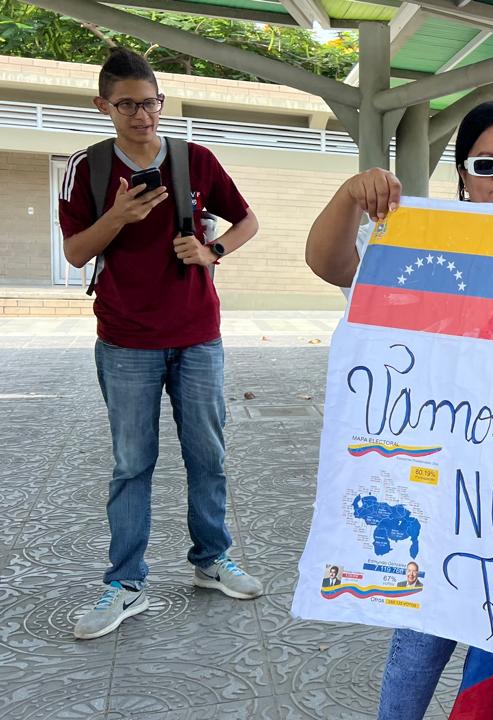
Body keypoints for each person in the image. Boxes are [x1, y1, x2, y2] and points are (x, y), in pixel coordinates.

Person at [305, 100, 493, 720]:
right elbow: (333, 264)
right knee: (420, 635)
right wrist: (352, 196)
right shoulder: (430, 251)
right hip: (441, 486)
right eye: (487, 163)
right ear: (462, 176)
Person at [61, 47, 262, 641]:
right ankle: (125, 582)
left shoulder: (196, 160)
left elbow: (246, 221)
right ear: (104, 106)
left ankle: (211, 560)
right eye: (127, 105)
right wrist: (119, 215)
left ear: (161, 102)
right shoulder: (89, 167)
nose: (141, 116)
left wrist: (212, 250)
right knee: (132, 464)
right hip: (126, 340)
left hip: (198, 334)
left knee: (209, 456)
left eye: (149, 103)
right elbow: (76, 252)